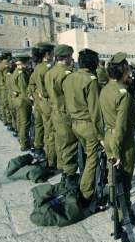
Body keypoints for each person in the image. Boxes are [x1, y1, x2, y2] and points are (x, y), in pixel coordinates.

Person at [99, 52, 135, 225]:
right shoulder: (123, 94)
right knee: (124, 179)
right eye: (127, 69)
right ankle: (124, 213)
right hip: (122, 141)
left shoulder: (105, 89)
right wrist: (117, 151)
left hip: (108, 135)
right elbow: (121, 125)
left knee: (112, 177)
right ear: (123, 71)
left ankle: (115, 209)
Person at [63, 49, 104, 204]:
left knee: (84, 154)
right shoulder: (90, 79)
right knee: (92, 158)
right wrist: (101, 135)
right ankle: (86, 193)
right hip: (88, 125)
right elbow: (95, 111)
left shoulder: (69, 77)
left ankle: (82, 181)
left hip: (74, 123)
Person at [45, 44, 78, 188]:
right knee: (70, 144)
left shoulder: (50, 72)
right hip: (65, 112)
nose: (72, 59)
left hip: (55, 111)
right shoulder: (66, 74)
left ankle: (63, 169)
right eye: (71, 56)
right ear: (66, 57)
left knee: (60, 142)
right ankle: (69, 176)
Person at [32, 43, 56, 167]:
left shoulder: (38, 67)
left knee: (47, 130)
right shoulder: (48, 68)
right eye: (52, 52)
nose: (53, 54)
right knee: (51, 132)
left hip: (42, 102)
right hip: (49, 102)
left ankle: (47, 154)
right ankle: (51, 160)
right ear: (47, 54)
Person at [11, 54, 33, 151]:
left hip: (18, 99)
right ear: (24, 62)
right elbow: (25, 90)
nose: (29, 64)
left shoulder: (16, 72)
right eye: (28, 62)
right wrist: (31, 102)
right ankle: (24, 144)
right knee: (25, 123)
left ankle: (22, 140)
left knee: (20, 121)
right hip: (23, 101)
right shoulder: (21, 74)